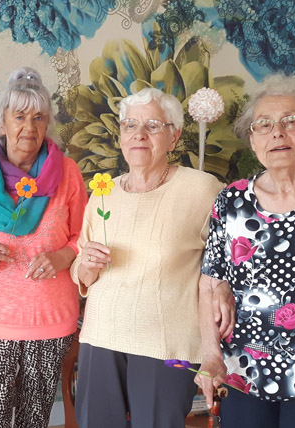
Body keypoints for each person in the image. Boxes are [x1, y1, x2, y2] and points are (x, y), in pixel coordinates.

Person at [69, 87, 225, 428]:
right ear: (121, 135)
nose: (139, 134)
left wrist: (223, 293)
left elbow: (227, 259)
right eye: (130, 125)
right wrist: (85, 265)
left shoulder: (201, 189)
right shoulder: (104, 193)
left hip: (166, 345)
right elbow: (82, 269)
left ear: (174, 136)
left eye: (152, 126)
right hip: (101, 336)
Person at [197, 74, 295, 428]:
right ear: (253, 140)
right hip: (243, 372)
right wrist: (211, 355)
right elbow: (209, 282)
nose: (277, 133)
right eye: (263, 124)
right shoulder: (232, 200)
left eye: (291, 121)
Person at [0, 67, 87, 427]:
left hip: (50, 317)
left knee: (35, 417)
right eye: (20, 116)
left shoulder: (68, 173)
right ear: (3, 122)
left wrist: (61, 257)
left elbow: (83, 237)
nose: (29, 127)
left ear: (47, 124)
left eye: (38, 117)